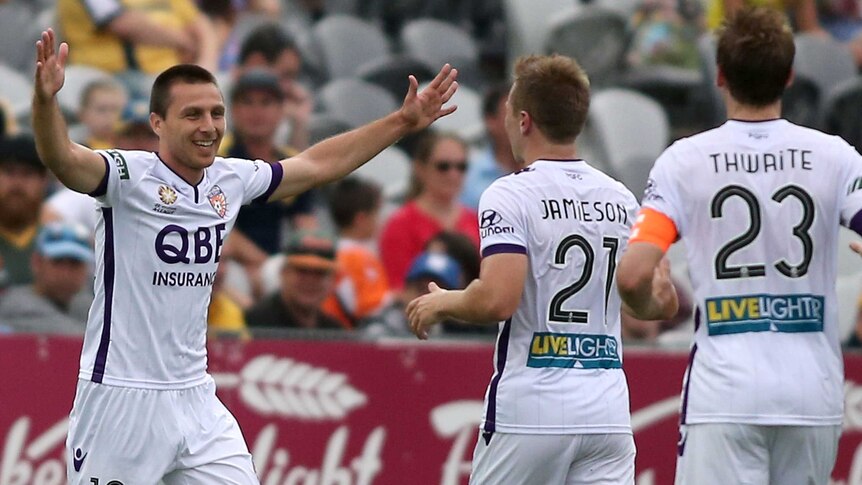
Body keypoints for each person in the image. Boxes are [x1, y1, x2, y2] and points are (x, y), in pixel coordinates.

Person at [32, 27, 457, 485]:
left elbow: (316, 165)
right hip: (121, 396)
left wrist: (401, 122)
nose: (209, 126)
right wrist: (45, 102)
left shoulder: (229, 178)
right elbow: (65, 160)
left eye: (217, 113)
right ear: (158, 123)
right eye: (192, 114)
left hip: (195, 397)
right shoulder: (128, 175)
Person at [616, 7, 859, 484]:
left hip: (725, 394)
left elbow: (631, 274)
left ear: (720, 75)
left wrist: (652, 303)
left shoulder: (684, 161)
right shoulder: (835, 156)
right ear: (790, 76)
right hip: (812, 394)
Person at [407, 54, 639, 484]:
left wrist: (443, 302)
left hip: (534, 407)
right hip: (608, 410)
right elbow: (649, 297)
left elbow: (497, 298)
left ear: (525, 120)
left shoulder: (510, 194)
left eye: (511, 112)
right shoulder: (622, 199)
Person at [379, 131, 479, 291]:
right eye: (443, 166)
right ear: (420, 168)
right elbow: (399, 289)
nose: (453, 174)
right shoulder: (400, 225)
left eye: (461, 167)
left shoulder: (475, 219)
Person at [58, 0, 219, 74]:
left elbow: (202, 26)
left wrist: (206, 63)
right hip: (112, 75)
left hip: (167, 73)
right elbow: (124, 24)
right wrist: (186, 42)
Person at [321, 177, 392, 328]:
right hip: (348, 335)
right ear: (361, 219)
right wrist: (399, 299)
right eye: (377, 213)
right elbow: (366, 306)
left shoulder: (331, 250)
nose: (380, 221)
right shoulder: (357, 257)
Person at [0, 223, 93, 334]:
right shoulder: (14, 305)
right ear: (37, 262)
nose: (65, 274)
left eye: (75, 264)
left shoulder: (91, 306)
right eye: (57, 262)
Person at [245, 230, 344, 331]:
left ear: (332, 280)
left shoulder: (333, 330)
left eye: (320, 272)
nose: (310, 280)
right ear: (283, 273)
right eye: (302, 270)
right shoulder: (255, 324)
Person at [234, 23, 312, 150]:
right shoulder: (210, 94)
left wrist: (299, 123)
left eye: (293, 78)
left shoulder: (285, 107)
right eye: (285, 75)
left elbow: (295, 163)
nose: (289, 88)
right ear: (256, 63)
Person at [0, 134, 51, 288]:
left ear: (44, 181)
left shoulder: (58, 243)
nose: (17, 183)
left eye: (28, 173)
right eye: (9, 172)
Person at [460, 83, 519, 210]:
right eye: (514, 115)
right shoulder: (468, 176)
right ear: (490, 121)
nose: (523, 123)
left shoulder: (548, 172)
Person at [75, 78, 128, 150]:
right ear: (82, 114)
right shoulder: (74, 148)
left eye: (115, 109)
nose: (109, 116)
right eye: (102, 109)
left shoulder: (129, 147)